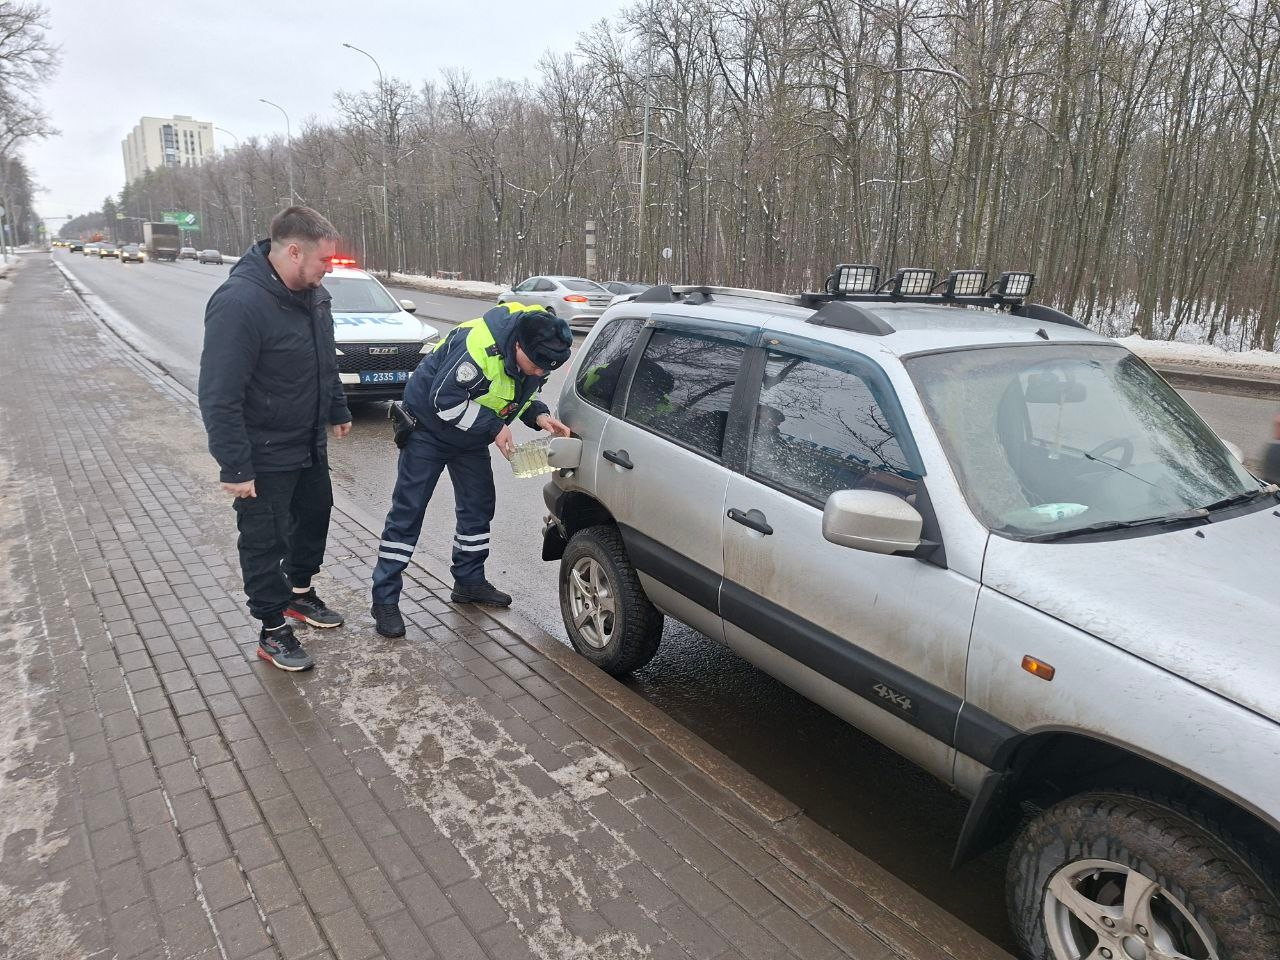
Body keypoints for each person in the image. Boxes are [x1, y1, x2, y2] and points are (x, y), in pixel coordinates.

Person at [198, 206, 352, 672]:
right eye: (324, 261)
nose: (329, 271)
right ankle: (271, 628)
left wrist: (337, 407)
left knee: (314, 517)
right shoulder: (240, 302)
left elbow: (325, 357)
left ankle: (299, 595)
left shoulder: (313, 295)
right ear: (292, 251)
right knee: (265, 540)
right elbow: (219, 393)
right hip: (262, 451)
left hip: (307, 443)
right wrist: (235, 466)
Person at [370, 302, 573, 638]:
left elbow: (516, 392)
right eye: (536, 365)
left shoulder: (535, 349)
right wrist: (493, 428)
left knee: (479, 507)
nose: (540, 373)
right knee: (408, 512)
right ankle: (385, 600)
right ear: (518, 345)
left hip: (468, 433)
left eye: (545, 369)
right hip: (428, 429)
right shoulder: (479, 348)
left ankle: (469, 581)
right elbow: (445, 402)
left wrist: (538, 415)